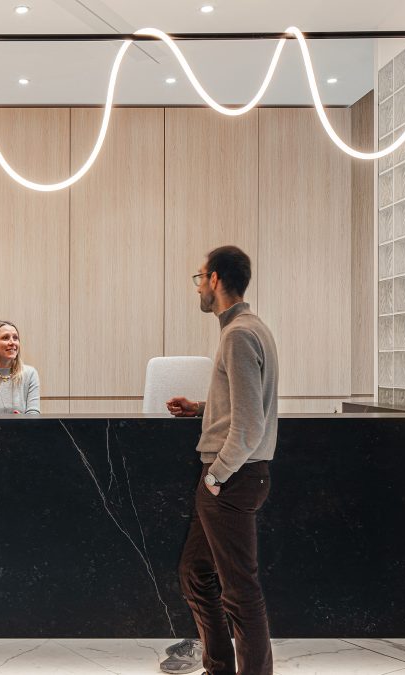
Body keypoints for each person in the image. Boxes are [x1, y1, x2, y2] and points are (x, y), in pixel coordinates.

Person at [160, 246, 279, 675]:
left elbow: (249, 426)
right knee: (195, 571)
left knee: (240, 592)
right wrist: (202, 409)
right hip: (232, 478)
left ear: (215, 279)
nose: (197, 287)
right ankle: (218, 667)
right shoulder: (247, 329)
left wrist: (216, 477)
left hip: (232, 480)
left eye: (199, 278)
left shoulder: (240, 334)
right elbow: (243, 405)